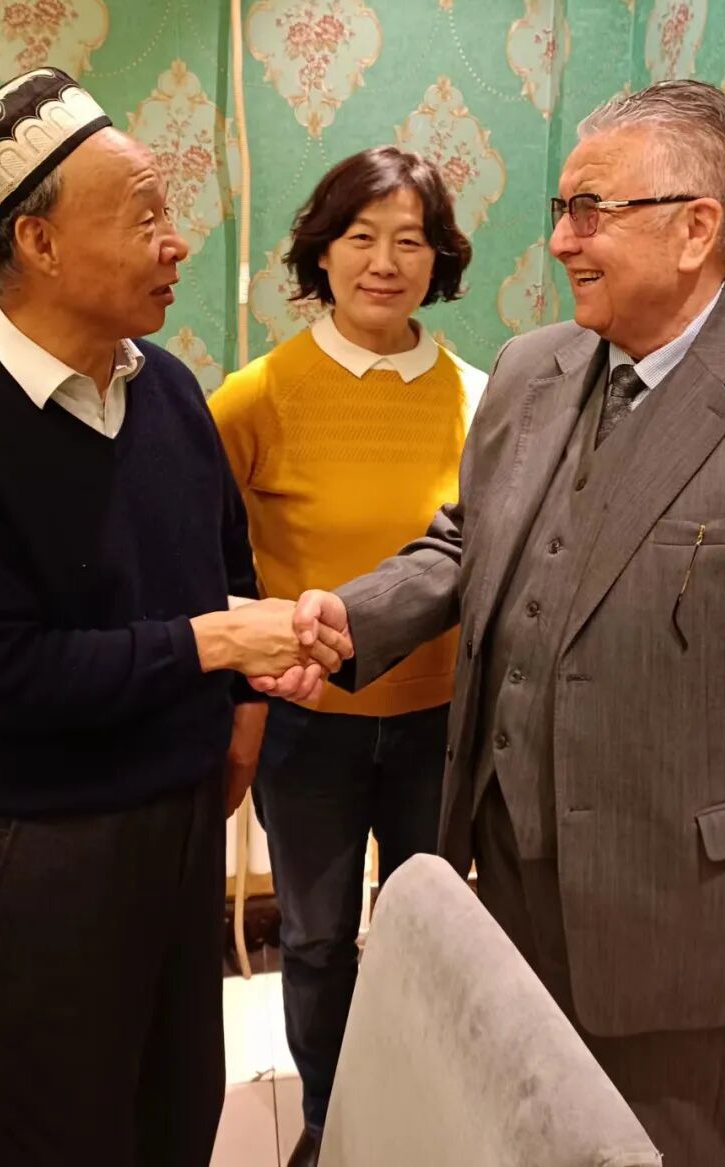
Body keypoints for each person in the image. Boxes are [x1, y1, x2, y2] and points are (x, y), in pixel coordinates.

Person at [266, 80, 725, 1166]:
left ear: (696, 227)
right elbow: (467, 543)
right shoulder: (531, 368)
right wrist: (350, 617)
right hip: (506, 874)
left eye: (590, 210)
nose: (560, 240)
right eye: (562, 208)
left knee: (664, 1141)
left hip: (677, 905)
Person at [0, 67, 349, 1167]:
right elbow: (3, 680)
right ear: (37, 242)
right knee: (63, 1131)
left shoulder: (168, 388)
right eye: (143, 217)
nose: (176, 243)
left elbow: (223, 564)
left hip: (182, 815)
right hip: (44, 846)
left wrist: (246, 706)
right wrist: (216, 644)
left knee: (178, 1106)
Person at [209, 145, 485, 1167]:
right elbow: (204, 552)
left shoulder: (480, 395)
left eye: (411, 240)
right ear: (321, 253)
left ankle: (415, 1121)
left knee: (431, 942)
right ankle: (331, 1123)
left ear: (439, 259)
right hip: (305, 728)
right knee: (318, 938)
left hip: (440, 724)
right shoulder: (256, 395)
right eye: (361, 237)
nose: (385, 262)